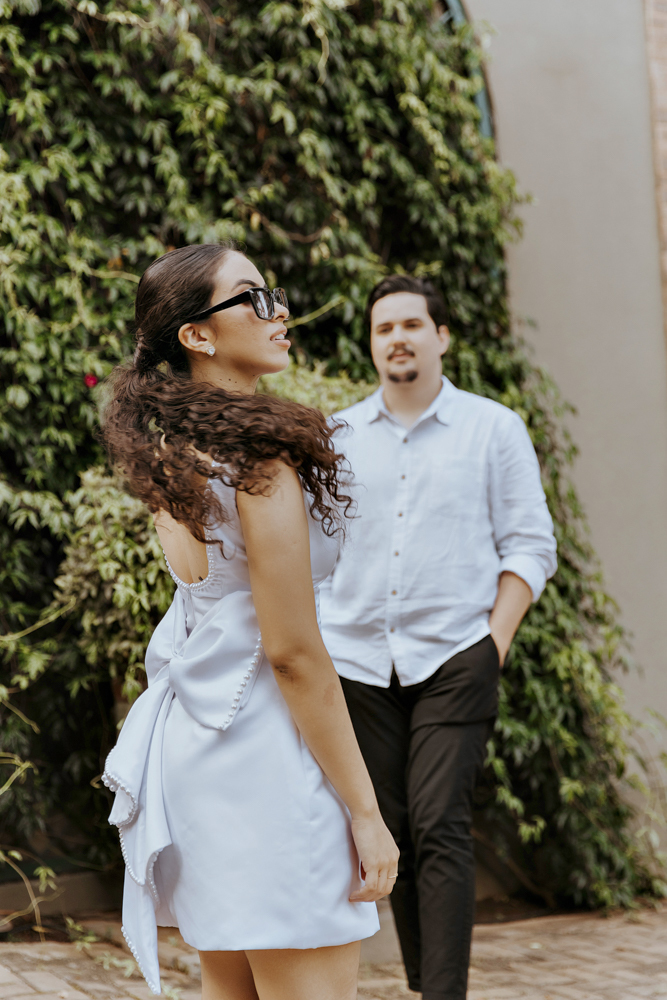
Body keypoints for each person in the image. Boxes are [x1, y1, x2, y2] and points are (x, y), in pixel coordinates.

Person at [101, 244, 399, 1000]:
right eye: (254, 297)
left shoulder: (175, 456)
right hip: (271, 757)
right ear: (197, 335)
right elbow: (292, 651)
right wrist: (365, 811)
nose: (280, 311)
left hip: (203, 754)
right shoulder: (256, 462)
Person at [319, 275, 557, 1000]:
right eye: (383, 328)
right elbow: (314, 553)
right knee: (392, 828)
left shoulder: (492, 428)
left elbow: (530, 545)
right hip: (357, 663)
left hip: (456, 655)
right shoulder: (336, 437)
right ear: (371, 344)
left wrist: (494, 642)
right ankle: (429, 984)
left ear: (441, 336)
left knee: (439, 820)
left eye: (411, 325)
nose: (397, 338)